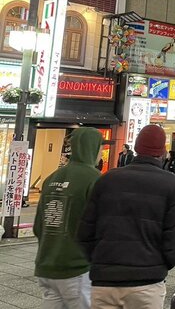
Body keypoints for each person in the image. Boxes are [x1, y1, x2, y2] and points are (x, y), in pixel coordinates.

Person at [78, 125, 175, 308]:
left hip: (104, 281)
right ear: (162, 152)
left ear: (136, 148)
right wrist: (161, 264)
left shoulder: (107, 179)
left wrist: (99, 261)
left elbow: (85, 230)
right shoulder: (171, 183)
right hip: (146, 283)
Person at [34, 128, 102, 309]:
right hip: (76, 267)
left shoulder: (51, 178)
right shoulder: (93, 178)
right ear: (92, 148)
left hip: (46, 264)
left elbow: (38, 225)